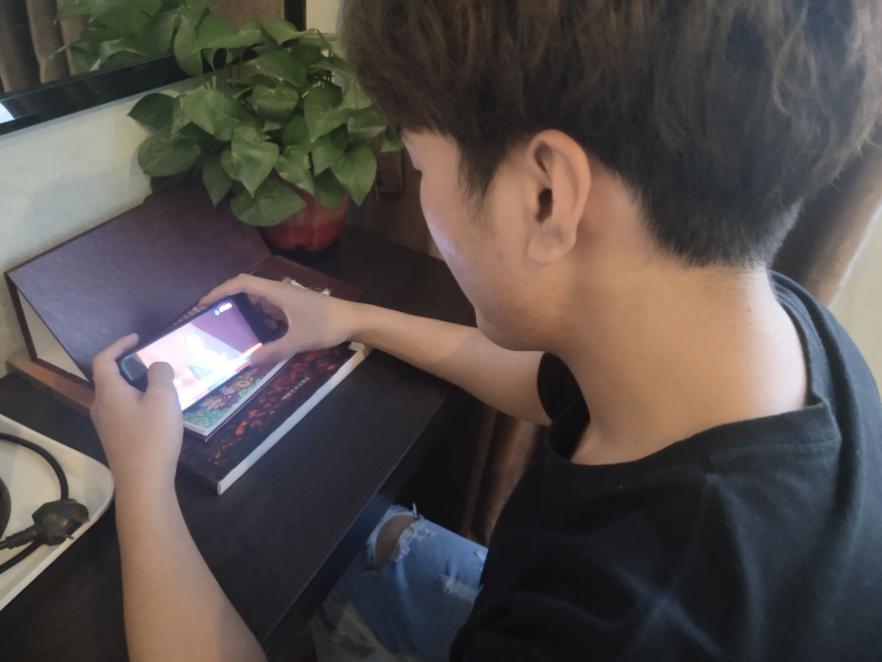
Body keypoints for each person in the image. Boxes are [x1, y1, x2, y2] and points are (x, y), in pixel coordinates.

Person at [89, 1, 882, 660]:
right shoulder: (770, 327)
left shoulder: (619, 627)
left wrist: (143, 482)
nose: (424, 196)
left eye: (421, 166)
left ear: (547, 197)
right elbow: (545, 384)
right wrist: (347, 318)